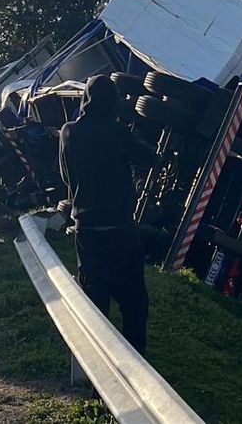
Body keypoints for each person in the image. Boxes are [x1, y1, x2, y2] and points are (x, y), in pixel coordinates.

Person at [58, 75, 156, 354]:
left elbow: (65, 175)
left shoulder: (68, 132)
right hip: (120, 230)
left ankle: (96, 365)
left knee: (94, 302)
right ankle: (135, 363)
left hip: (86, 231)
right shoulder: (117, 132)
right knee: (135, 304)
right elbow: (151, 159)